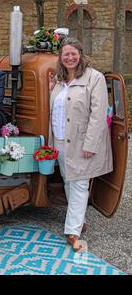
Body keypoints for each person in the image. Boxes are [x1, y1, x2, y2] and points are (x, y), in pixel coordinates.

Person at [48, 37, 113, 252]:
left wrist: (91, 144)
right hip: (60, 140)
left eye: (73, 53)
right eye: (65, 54)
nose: (69, 57)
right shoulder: (59, 80)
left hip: (81, 142)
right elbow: (56, 110)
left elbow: (98, 114)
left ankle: (73, 232)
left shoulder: (95, 78)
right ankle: (80, 220)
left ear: (80, 54)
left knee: (79, 184)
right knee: (69, 180)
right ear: (60, 57)